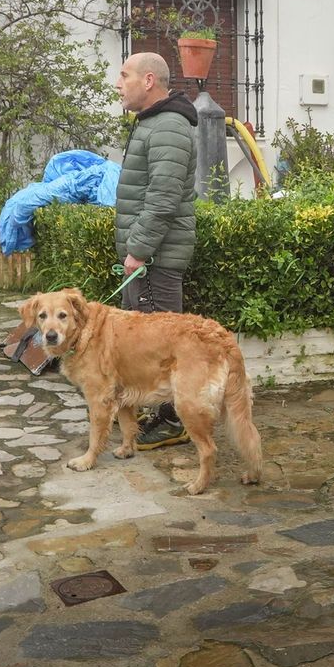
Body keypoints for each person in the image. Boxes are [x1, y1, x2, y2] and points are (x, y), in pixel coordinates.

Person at [113, 51, 198, 449]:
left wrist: (139, 250)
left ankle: (175, 420)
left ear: (148, 81)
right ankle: (158, 412)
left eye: (124, 75)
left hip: (156, 260)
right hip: (148, 258)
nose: (118, 84)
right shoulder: (153, 122)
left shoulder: (168, 126)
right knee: (144, 343)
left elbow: (163, 199)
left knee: (163, 346)